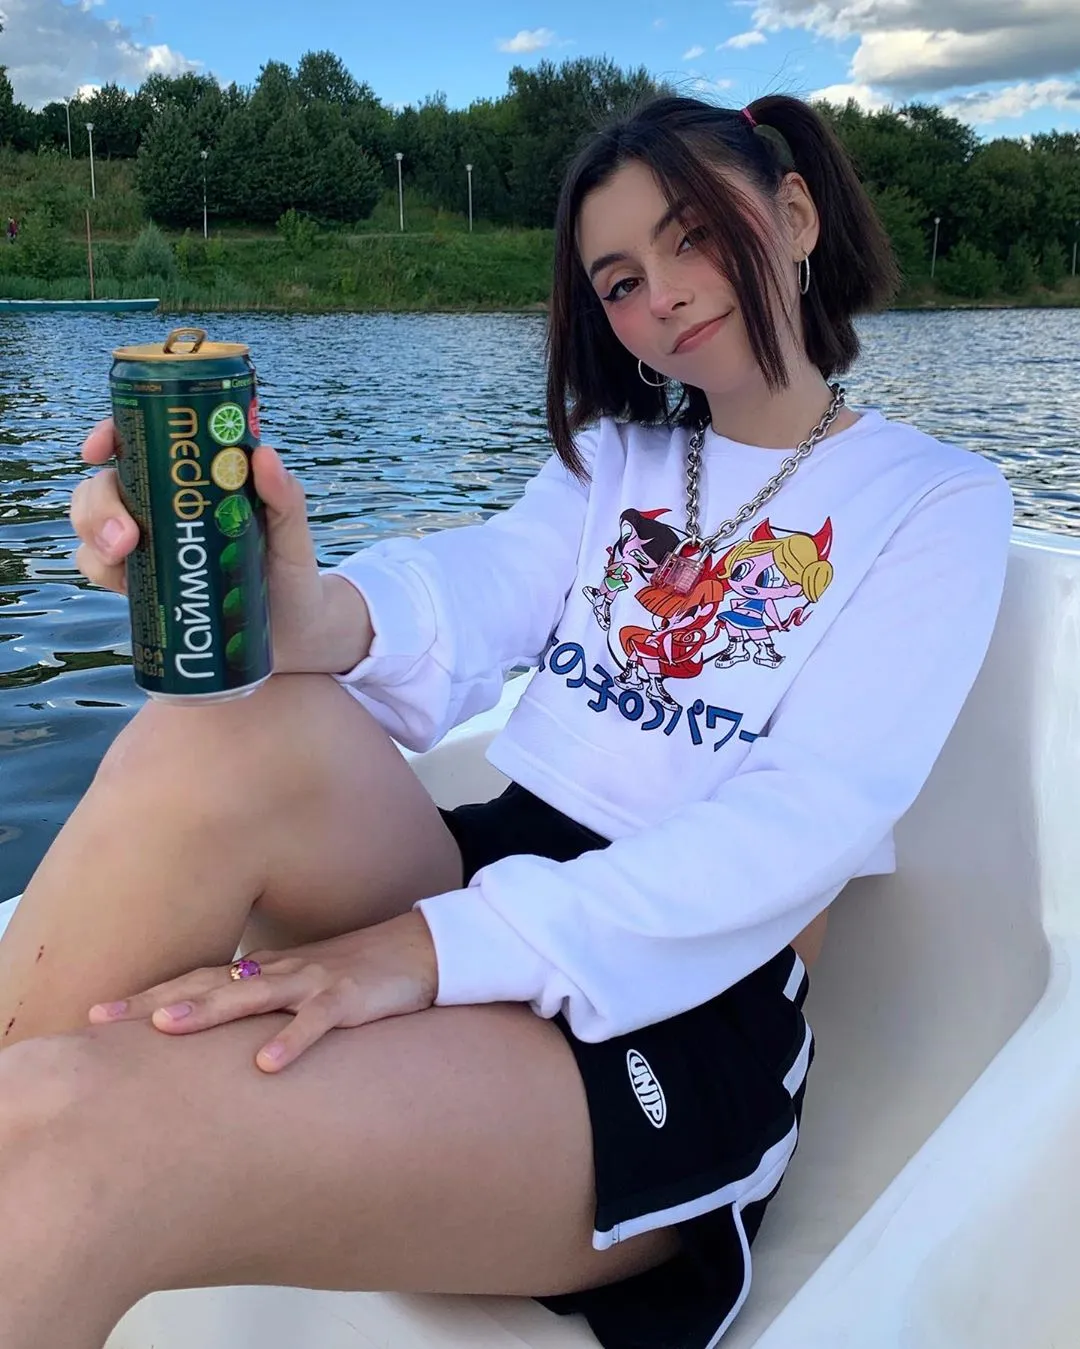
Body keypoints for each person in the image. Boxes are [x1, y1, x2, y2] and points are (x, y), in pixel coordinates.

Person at [0, 94, 1013, 1349]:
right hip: (489, 873)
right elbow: (468, 589)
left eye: (695, 235)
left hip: (685, 996)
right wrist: (286, 608)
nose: (665, 293)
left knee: (85, 1133)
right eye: (621, 280)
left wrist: (426, 948)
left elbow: (804, 818)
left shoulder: (933, 499)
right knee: (220, 723)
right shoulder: (616, 460)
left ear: (796, 213)